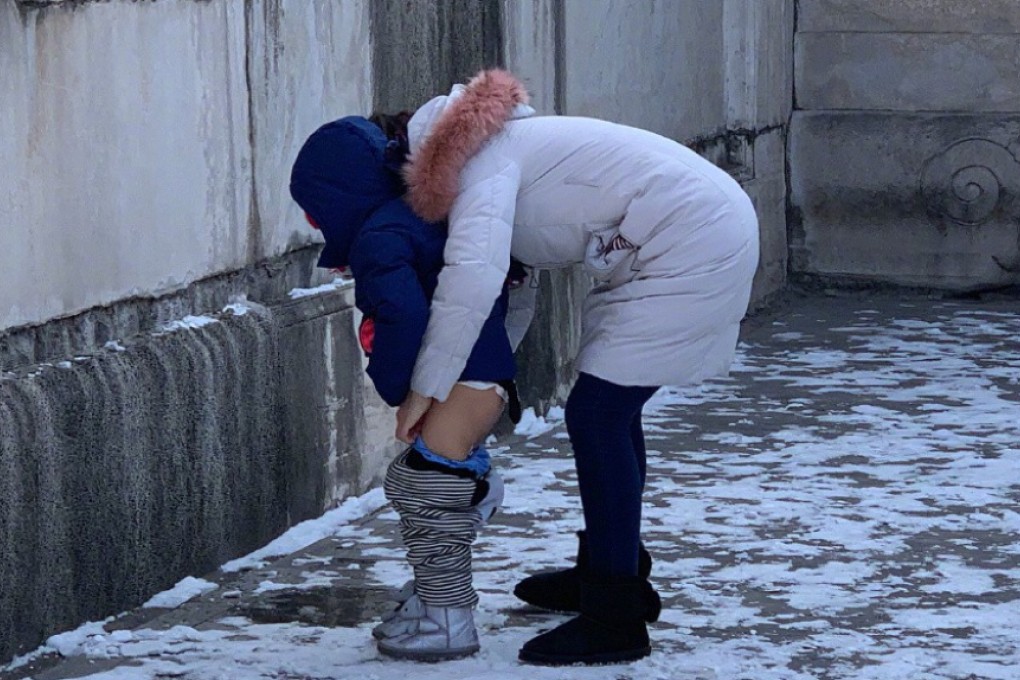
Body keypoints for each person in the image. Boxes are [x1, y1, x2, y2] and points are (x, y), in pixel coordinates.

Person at [392, 69, 760, 666]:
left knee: (598, 415)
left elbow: (472, 279)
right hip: (679, 236)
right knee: (608, 412)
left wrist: (426, 390)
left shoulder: (484, 167)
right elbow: (516, 287)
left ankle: (615, 617)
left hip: (689, 240)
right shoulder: (505, 147)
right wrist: (482, 378)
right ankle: (609, 572)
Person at [289, 114, 522, 662]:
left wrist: (396, 386)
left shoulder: (379, 239)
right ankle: (441, 576)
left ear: (337, 200)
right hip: (480, 374)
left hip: (466, 378)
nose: (312, 221)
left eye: (314, 209)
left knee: (423, 489)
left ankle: (448, 619)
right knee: (427, 485)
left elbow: (403, 315)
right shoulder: (415, 219)